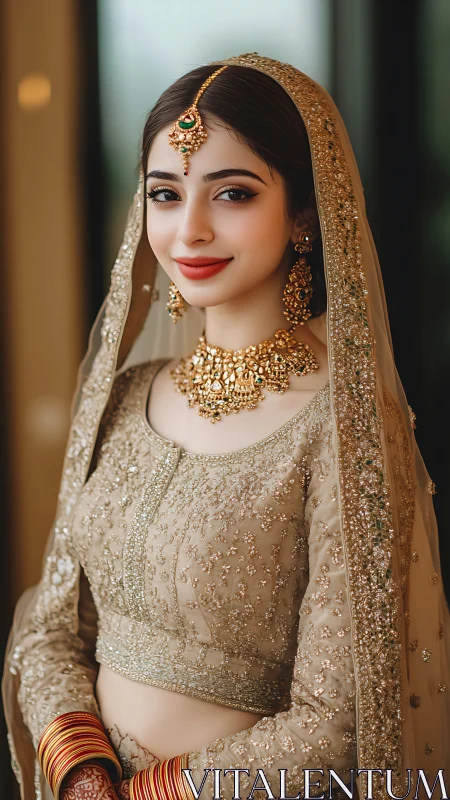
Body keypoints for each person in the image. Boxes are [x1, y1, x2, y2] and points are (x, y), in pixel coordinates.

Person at [2, 52, 450, 800]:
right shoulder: (125, 396)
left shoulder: (341, 425)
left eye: (233, 193)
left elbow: (337, 719)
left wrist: (149, 795)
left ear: (304, 211)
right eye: (165, 194)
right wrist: (83, 774)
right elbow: (51, 628)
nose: (190, 230)